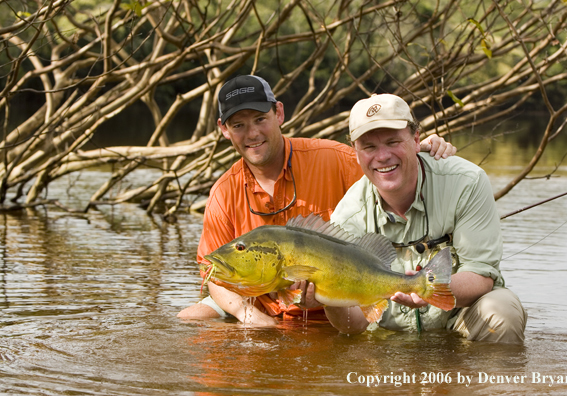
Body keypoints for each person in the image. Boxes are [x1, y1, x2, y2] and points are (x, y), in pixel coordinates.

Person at [177, 76, 457, 324]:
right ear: (224, 129)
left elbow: (385, 165)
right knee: (190, 319)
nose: (252, 134)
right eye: (238, 125)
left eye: (260, 119)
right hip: (258, 304)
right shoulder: (223, 192)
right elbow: (212, 273)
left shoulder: (334, 160)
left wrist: (418, 151)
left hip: (337, 301)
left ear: (279, 113)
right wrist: (250, 317)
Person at [318, 93, 527, 343]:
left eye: (393, 141)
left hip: (458, 316)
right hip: (389, 334)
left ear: (416, 139)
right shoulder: (347, 217)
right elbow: (354, 325)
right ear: (356, 152)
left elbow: (481, 274)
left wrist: (427, 288)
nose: (382, 156)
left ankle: (489, 383)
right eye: (369, 147)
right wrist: (327, 299)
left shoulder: (466, 182)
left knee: (501, 313)